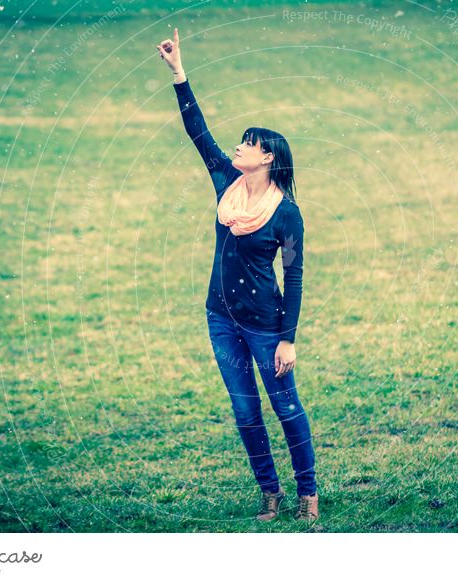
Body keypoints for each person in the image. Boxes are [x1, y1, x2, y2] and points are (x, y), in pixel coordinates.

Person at [157, 28, 319, 523]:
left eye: (248, 145)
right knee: (246, 413)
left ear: (267, 158)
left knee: (286, 409)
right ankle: (269, 494)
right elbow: (197, 132)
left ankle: (307, 494)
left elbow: (293, 279)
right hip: (220, 318)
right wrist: (179, 73)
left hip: (265, 326)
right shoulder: (226, 182)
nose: (237, 147)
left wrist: (287, 340)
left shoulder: (286, 214)